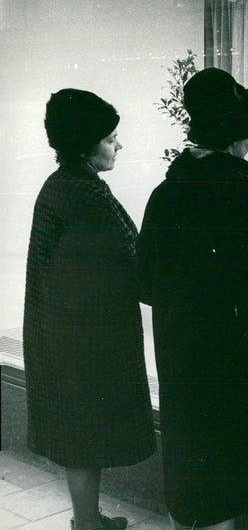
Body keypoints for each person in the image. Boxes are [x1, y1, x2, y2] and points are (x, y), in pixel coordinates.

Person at [137, 68, 248, 530]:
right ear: (238, 139)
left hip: (181, 354)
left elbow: (145, 283)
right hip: (236, 356)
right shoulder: (246, 196)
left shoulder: (165, 194)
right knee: (228, 470)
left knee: (191, 463)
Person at [23, 89, 156, 530]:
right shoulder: (88, 195)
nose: (120, 145)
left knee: (76, 433)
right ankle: (85, 524)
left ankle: (87, 519)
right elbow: (134, 262)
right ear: (87, 143)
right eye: (112, 137)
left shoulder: (57, 186)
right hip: (85, 343)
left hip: (57, 333)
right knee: (84, 434)